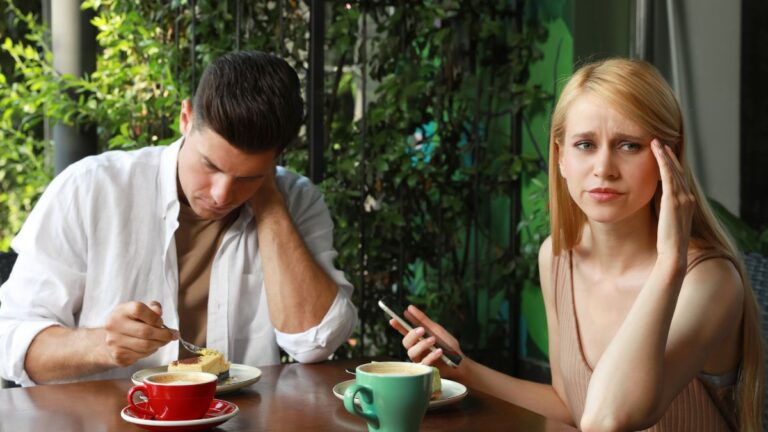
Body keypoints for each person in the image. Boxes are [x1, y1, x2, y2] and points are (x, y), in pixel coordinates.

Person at [392, 58, 763, 431]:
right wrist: (462, 368)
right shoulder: (557, 259)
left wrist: (669, 264)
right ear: (561, 158)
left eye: (629, 145)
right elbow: (571, 407)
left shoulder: (709, 280)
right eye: (585, 144)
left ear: (670, 156)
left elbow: (608, 417)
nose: (604, 167)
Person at [0, 51, 358, 386]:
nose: (221, 194)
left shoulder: (296, 200)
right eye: (211, 165)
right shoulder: (91, 188)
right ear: (186, 119)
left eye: (247, 177)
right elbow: (12, 340)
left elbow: (315, 342)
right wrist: (103, 346)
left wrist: (268, 201)